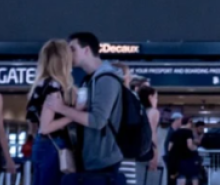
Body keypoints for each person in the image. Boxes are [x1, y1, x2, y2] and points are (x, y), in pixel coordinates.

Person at [45, 32, 126, 185]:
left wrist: (62, 109)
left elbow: (97, 121)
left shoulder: (106, 79)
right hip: (92, 161)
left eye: (72, 49)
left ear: (87, 50)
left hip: (103, 163)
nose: (68, 54)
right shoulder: (89, 80)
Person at [28, 40, 78, 185]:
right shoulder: (54, 87)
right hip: (54, 147)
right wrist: (73, 114)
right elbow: (46, 127)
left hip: (42, 146)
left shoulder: (40, 86)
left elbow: (34, 125)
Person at [135, 87, 162, 185]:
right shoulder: (153, 112)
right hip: (148, 151)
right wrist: (155, 154)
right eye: (156, 97)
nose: (157, 100)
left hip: (137, 150)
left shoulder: (139, 110)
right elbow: (152, 133)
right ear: (150, 97)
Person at [167, 115, 201, 185]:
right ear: (189, 122)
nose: (192, 125)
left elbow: (169, 148)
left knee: (181, 176)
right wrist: (196, 148)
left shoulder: (175, 132)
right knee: (194, 176)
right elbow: (190, 146)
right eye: (191, 123)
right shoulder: (188, 132)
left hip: (178, 159)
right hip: (188, 158)